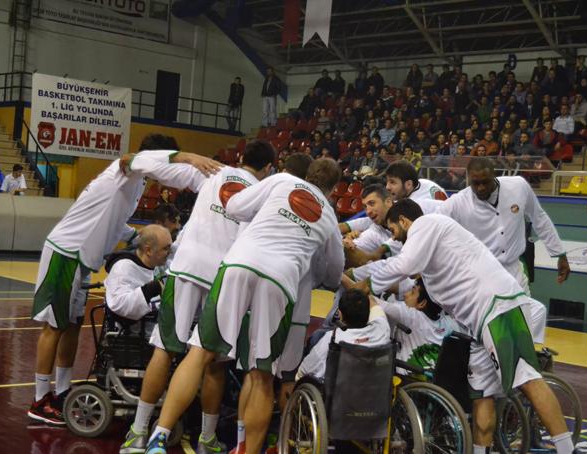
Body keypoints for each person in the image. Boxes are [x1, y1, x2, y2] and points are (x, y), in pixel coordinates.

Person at [145, 159, 344, 454]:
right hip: (281, 280)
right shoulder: (329, 216)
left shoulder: (281, 181)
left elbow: (235, 206)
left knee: (200, 353)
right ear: (333, 189)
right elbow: (334, 273)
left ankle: (158, 437)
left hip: (240, 263)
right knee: (262, 375)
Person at [352, 199, 577, 454]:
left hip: (498, 307)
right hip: (476, 325)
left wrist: (366, 285)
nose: (395, 239)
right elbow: (397, 266)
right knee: (482, 394)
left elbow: (404, 265)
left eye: (393, 231)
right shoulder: (431, 248)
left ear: (403, 221)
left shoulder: (427, 224)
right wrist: (352, 275)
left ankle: (566, 449)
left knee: (527, 379)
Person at [28, 134, 221, 426]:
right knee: (54, 327)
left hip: (83, 259)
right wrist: (187, 157)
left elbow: (116, 224)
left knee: (71, 326)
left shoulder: (136, 184)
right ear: (155, 159)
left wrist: (141, 239)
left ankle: (63, 390)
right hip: (66, 251)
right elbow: (128, 158)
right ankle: (41, 399)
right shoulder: (123, 171)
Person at [120, 141, 275, 454]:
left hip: (187, 267)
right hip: (224, 277)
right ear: (269, 168)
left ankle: (139, 433)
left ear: (241, 158)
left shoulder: (212, 171)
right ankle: (206, 438)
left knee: (164, 349)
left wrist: (184, 155)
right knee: (214, 362)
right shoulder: (266, 193)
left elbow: (149, 166)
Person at [438, 157, 569, 343]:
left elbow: (539, 217)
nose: (481, 188)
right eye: (476, 183)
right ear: (468, 179)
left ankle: (525, 361)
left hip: (514, 270)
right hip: (482, 276)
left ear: (494, 176)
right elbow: (431, 224)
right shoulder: (458, 203)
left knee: (529, 318)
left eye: (485, 182)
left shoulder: (518, 187)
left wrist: (560, 254)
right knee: (488, 327)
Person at [296, 289, 390, 381]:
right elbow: (374, 304)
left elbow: (305, 371)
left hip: (340, 393)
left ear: (340, 314)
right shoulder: (382, 328)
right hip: (374, 390)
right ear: (368, 313)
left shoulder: (333, 338)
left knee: (317, 336)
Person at [103, 224, 171, 321]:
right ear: (149, 250)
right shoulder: (123, 268)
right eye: (166, 248)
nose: (169, 252)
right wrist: (151, 289)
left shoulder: (156, 263)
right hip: (134, 331)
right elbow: (118, 304)